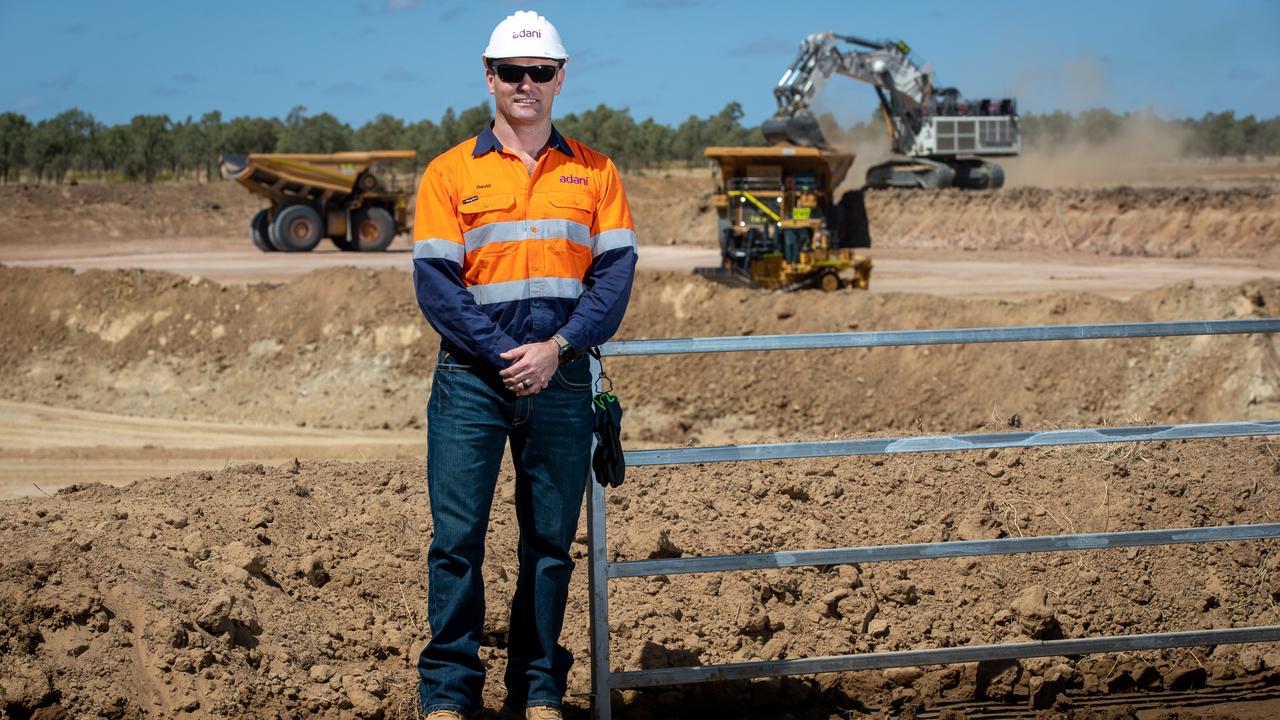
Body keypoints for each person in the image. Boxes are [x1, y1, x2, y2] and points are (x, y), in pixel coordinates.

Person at [411, 9, 638, 720]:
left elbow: (614, 278)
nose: (526, 84)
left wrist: (556, 350)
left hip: (563, 380)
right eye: (512, 72)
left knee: (548, 545)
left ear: (560, 78)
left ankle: (539, 690)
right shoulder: (449, 174)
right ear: (490, 77)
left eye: (540, 72)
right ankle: (449, 696)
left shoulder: (596, 173)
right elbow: (437, 287)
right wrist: (505, 355)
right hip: (472, 382)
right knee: (457, 543)